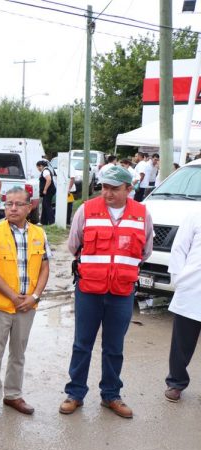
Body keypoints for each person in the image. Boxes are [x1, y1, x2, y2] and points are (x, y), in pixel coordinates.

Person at [60, 166, 153, 419]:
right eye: (104, 187)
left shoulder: (142, 215)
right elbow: (73, 245)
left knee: (114, 347)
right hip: (89, 288)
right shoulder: (87, 210)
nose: (107, 193)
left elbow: (145, 251)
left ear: (128, 189)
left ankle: (111, 395)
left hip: (122, 291)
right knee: (82, 344)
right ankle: (75, 393)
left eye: (114, 188)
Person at [0, 187, 51, 419]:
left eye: (18, 204)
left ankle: (13, 395)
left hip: (27, 306)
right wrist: (12, 297)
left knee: (18, 353)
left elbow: (45, 267)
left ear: (29, 207)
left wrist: (35, 297)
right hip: (1, 305)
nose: (12, 208)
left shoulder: (39, 234)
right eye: (8, 203)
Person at [164, 212, 201, 402]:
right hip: (193, 288)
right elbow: (179, 248)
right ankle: (176, 382)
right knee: (182, 342)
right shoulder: (195, 215)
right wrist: (179, 281)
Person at [38, 160, 56, 225]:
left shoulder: (45, 171)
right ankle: (44, 222)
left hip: (49, 191)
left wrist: (45, 189)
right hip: (48, 191)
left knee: (47, 206)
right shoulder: (45, 171)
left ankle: (52, 222)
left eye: (38, 167)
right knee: (44, 205)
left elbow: (49, 180)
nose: (38, 169)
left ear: (41, 166)